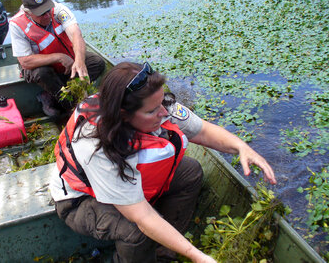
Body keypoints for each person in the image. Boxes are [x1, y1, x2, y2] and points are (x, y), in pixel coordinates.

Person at [50, 62, 277, 263]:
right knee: (136, 231)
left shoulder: (158, 104)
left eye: (162, 103)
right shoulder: (95, 144)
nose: (164, 112)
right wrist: (196, 254)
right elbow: (141, 216)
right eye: (152, 111)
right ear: (123, 115)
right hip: (81, 199)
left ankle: (164, 252)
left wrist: (241, 147)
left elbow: (204, 131)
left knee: (190, 172)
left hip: (125, 187)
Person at [9, 0, 105, 118]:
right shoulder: (17, 25)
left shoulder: (59, 9)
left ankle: (51, 97)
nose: (48, 15)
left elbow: (76, 34)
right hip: (38, 65)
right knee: (43, 73)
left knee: (97, 63)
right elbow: (25, 61)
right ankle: (73, 109)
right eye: (41, 14)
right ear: (28, 13)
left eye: (48, 10)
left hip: (67, 55)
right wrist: (59, 57)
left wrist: (79, 61)